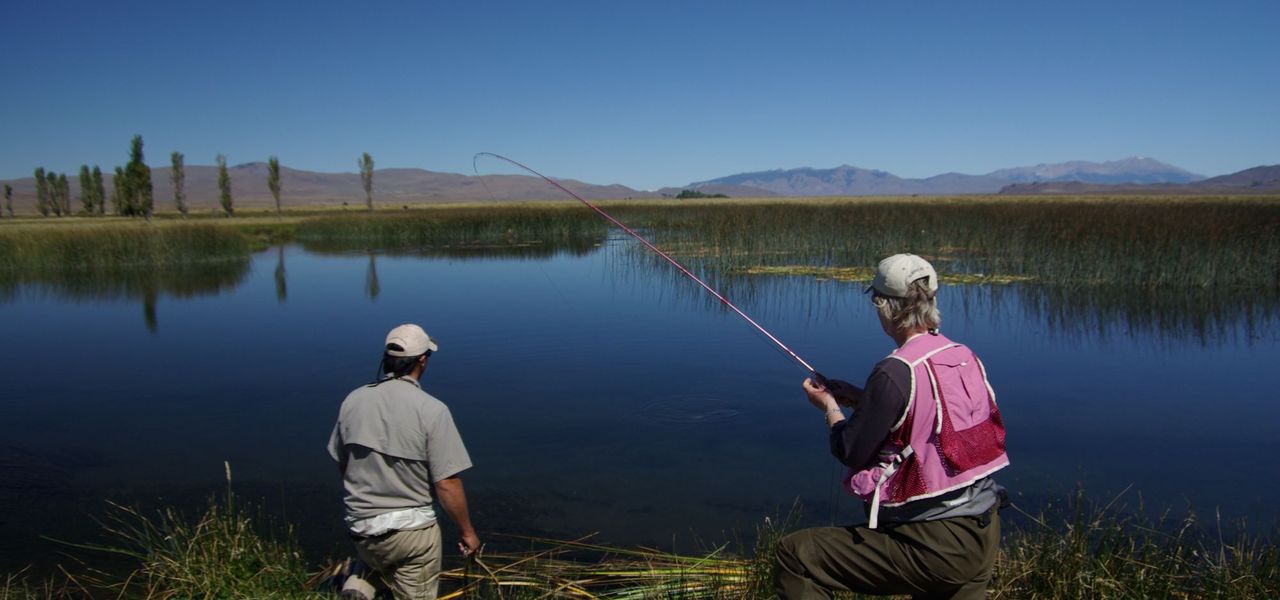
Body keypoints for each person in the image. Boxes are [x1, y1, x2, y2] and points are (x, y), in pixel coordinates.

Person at [775, 254, 1009, 600]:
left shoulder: (894, 371)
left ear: (883, 306)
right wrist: (862, 398)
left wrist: (830, 408)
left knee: (795, 556)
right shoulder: (962, 355)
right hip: (983, 530)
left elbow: (850, 450)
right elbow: (927, 415)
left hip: (932, 542)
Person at [328, 324, 480, 600]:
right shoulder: (432, 410)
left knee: (377, 555)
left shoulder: (353, 401)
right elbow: (446, 483)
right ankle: (362, 585)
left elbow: (343, 463)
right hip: (412, 533)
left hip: (361, 525)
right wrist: (466, 531)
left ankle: (358, 586)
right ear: (422, 361)